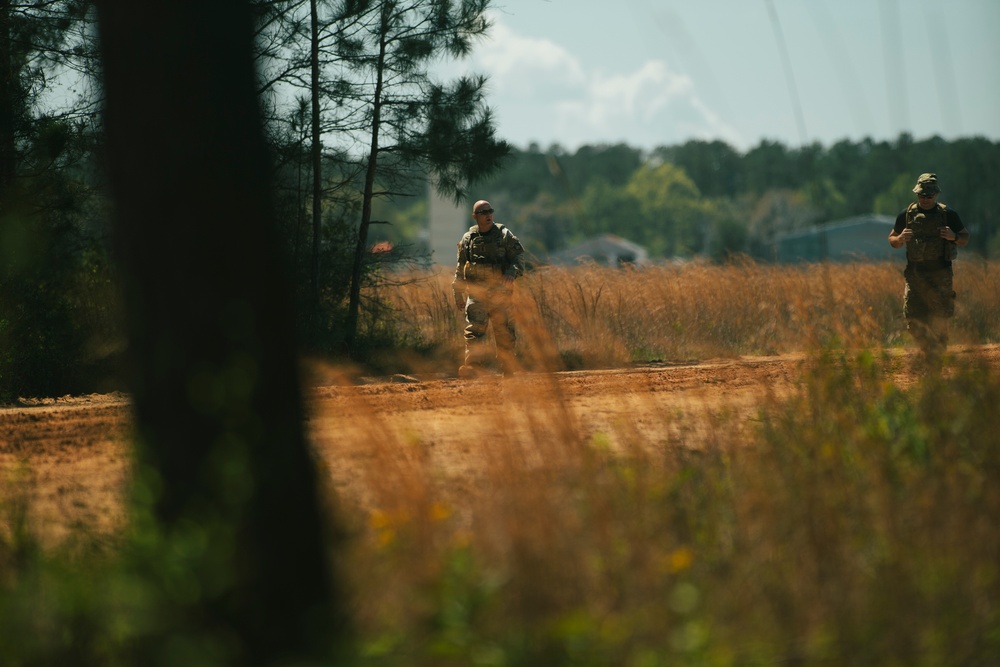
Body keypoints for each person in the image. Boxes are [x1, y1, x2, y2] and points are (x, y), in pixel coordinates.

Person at [888, 173, 970, 370]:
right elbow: (892, 240)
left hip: (941, 274)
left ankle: (936, 359)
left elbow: (965, 237)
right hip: (915, 274)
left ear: (936, 195)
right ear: (917, 194)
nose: (925, 199)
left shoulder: (948, 215)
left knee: (940, 317)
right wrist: (900, 239)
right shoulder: (906, 215)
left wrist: (953, 236)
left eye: (929, 196)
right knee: (913, 318)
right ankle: (928, 351)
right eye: (922, 196)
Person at [452, 200, 525, 377]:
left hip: (500, 293)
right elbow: (461, 267)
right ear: (475, 216)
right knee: (474, 332)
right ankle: (473, 367)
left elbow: (519, 259)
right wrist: (457, 293)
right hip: (476, 294)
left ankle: (507, 367)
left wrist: (511, 272)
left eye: (490, 211)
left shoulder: (504, 235)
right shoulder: (468, 239)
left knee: (504, 332)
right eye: (483, 212)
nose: (488, 215)